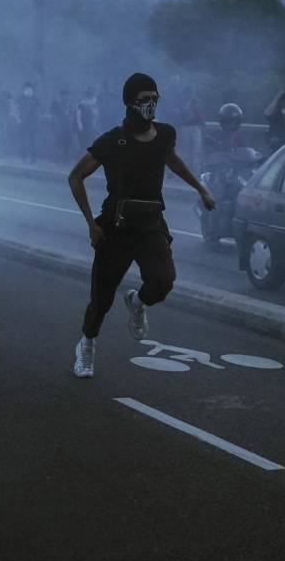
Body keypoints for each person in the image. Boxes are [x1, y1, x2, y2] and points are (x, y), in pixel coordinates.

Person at [67, 73, 215, 378]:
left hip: (150, 224)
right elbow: (75, 176)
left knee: (163, 281)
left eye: (155, 98)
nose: (151, 104)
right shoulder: (112, 141)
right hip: (115, 228)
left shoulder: (164, 135)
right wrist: (90, 224)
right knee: (101, 300)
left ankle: (138, 301)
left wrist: (200, 188)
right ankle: (87, 344)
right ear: (130, 103)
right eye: (145, 99)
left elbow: (172, 160)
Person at [18, 80, 40, 164]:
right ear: (24, 89)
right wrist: (18, 118)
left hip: (32, 122)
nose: (28, 90)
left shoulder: (35, 98)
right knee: (23, 140)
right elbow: (15, 107)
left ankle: (33, 157)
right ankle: (23, 156)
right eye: (26, 88)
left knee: (32, 141)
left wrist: (37, 120)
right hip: (23, 122)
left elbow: (39, 110)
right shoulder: (20, 98)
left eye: (30, 88)